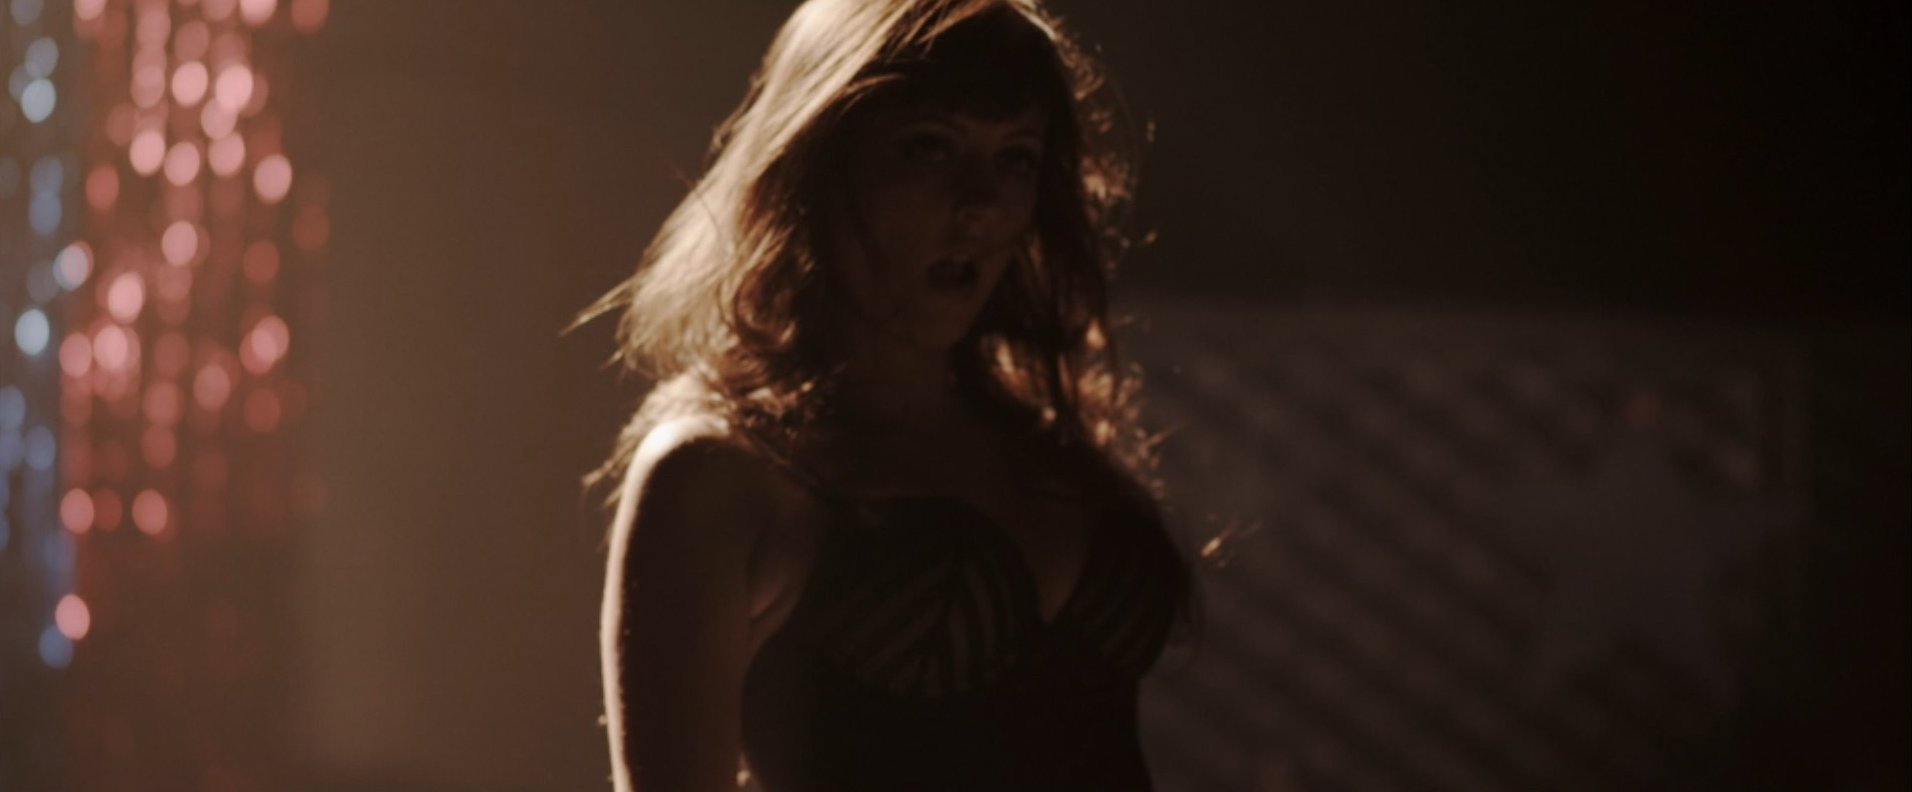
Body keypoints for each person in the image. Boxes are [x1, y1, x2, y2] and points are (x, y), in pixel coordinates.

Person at [577, 1, 1196, 789]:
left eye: (1016, 158)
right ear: (818, 163)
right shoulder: (722, 472)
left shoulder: (1043, 440)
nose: (979, 203)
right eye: (931, 148)